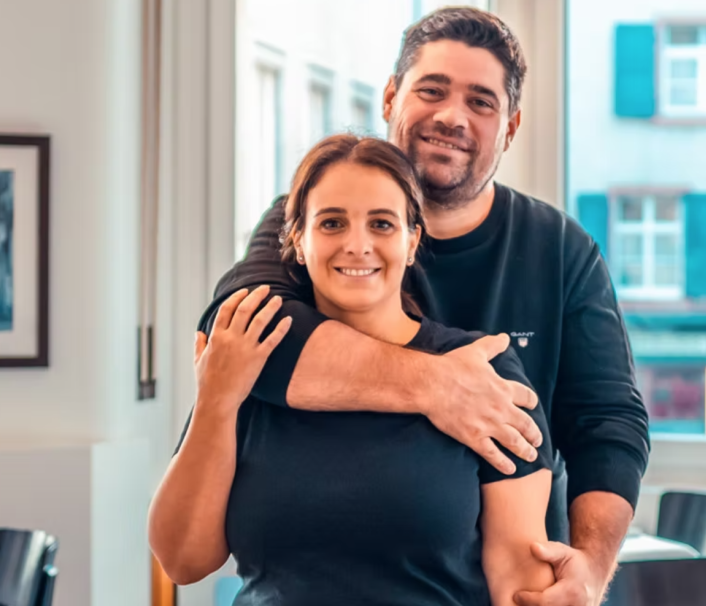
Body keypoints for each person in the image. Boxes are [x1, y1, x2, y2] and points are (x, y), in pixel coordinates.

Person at [200, 8, 650, 605]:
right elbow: (240, 335)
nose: (451, 116)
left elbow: (608, 424)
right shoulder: (312, 222)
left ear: (510, 127)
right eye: (432, 90)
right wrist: (439, 386)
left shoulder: (560, 249)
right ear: (391, 97)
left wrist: (590, 569)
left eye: (480, 102)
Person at [150, 134, 556, 606]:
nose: (357, 245)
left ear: (412, 241)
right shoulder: (256, 358)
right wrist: (216, 401)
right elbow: (182, 559)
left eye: (381, 224)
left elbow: (520, 576)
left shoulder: (484, 371)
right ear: (298, 242)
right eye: (332, 223)